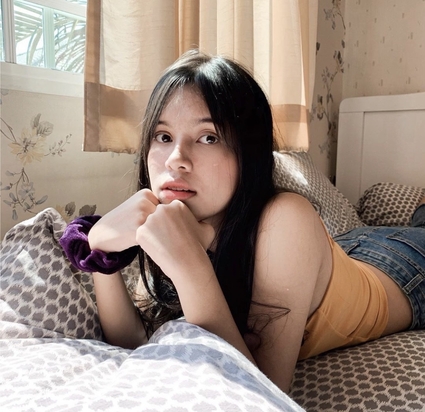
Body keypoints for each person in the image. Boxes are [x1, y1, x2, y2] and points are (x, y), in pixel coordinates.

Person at [60, 50, 425, 394]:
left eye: (208, 137)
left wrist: (189, 263)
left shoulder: (286, 216)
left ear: (248, 152)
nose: (175, 159)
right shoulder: (168, 221)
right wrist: (102, 254)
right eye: (164, 136)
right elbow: (135, 344)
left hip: (403, 266)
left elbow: (262, 392)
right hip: (344, 251)